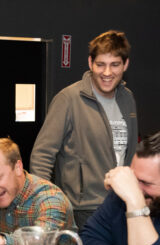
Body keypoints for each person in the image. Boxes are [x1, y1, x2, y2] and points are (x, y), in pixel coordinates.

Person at [30, 30, 138, 230]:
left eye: (114, 64)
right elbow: (42, 155)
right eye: (100, 64)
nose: (107, 73)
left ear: (125, 65)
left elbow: (130, 154)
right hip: (81, 211)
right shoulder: (68, 99)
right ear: (90, 63)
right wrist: (47, 205)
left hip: (122, 204)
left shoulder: (127, 99)